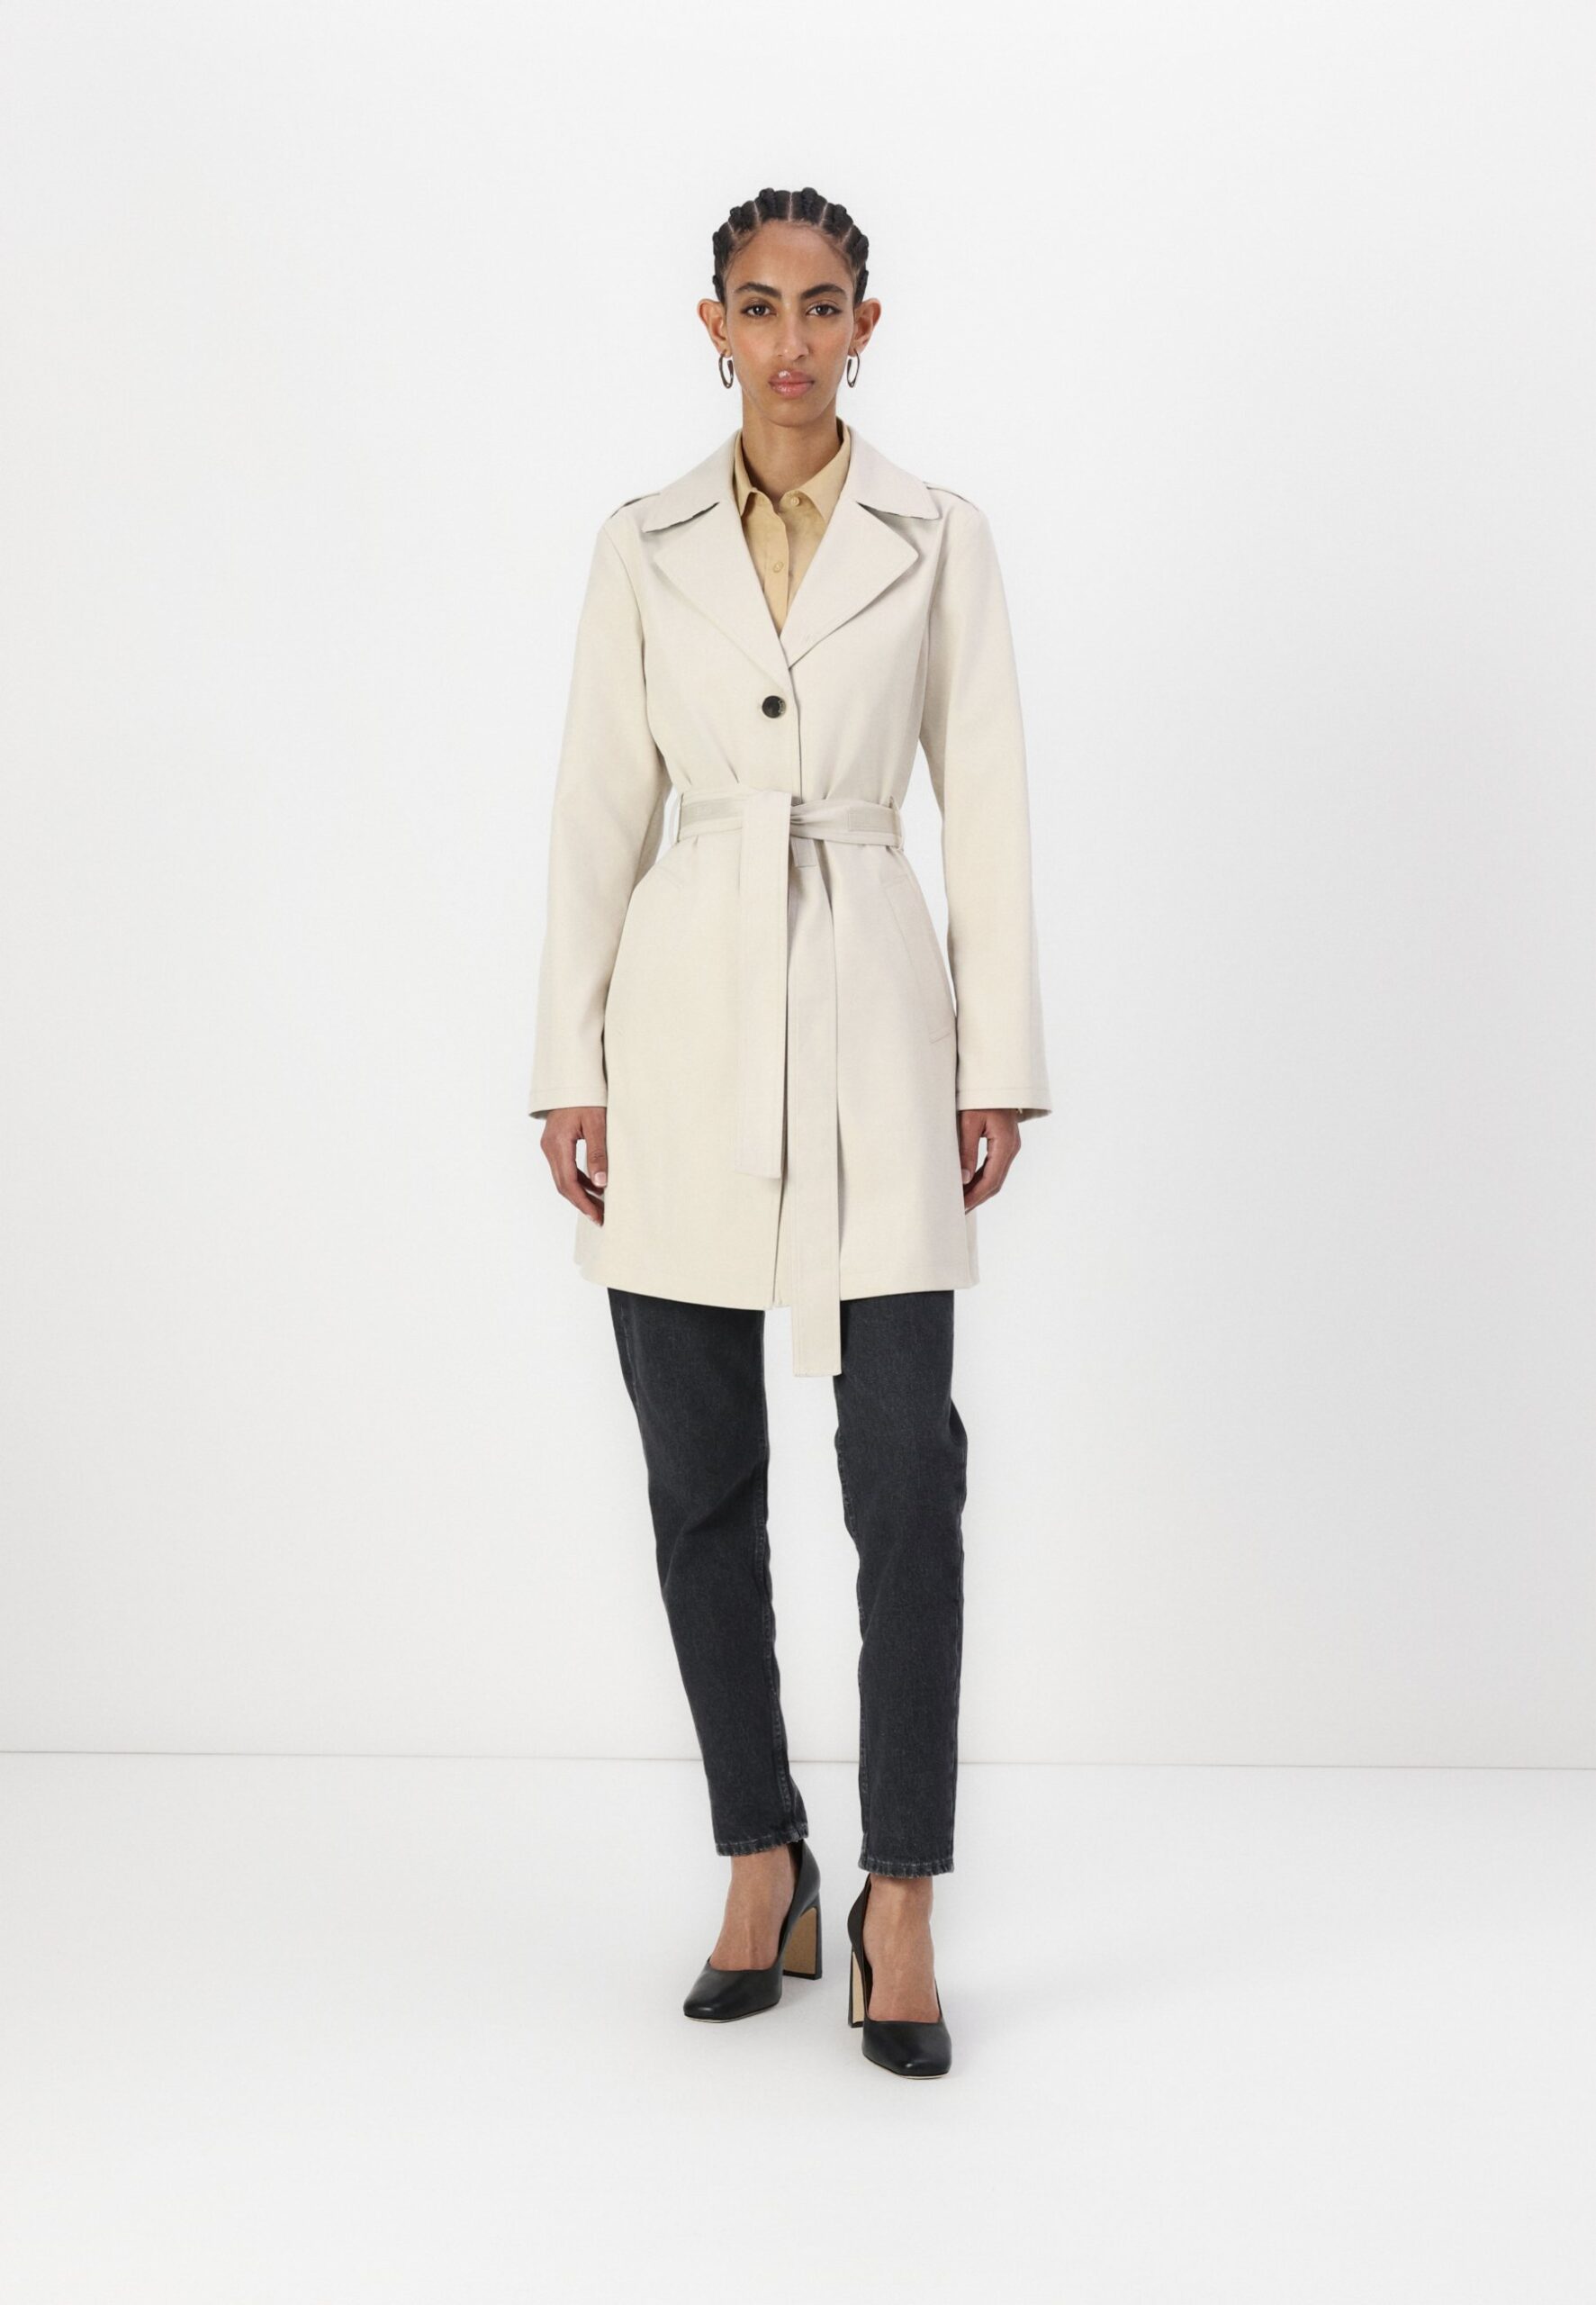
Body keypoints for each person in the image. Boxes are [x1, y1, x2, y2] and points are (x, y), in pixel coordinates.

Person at [528, 185, 1050, 2077]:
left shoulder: (937, 534)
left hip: (871, 1020)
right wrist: (567, 1062)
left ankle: (898, 1892)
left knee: (903, 1472)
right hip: (677, 1031)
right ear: (712, 325)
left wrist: (993, 1057)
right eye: (757, 307)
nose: (790, 343)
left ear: (865, 325)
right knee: (697, 1479)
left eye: (821, 307)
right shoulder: (641, 542)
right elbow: (597, 804)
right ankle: (761, 1857)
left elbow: (982, 794)